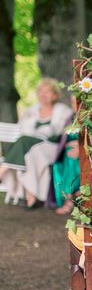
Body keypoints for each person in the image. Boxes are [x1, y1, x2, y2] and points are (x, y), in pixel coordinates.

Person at [0, 78, 73, 208]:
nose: (43, 94)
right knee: (30, 152)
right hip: (32, 148)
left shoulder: (63, 111)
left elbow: (60, 134)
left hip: (52, 148)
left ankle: (2, 170)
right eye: (40, 91)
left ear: (55, 94)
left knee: (26, 143)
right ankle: (31, 196)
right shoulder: (30, 111)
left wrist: (42, 133)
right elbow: (23, 131)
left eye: (47, 91)